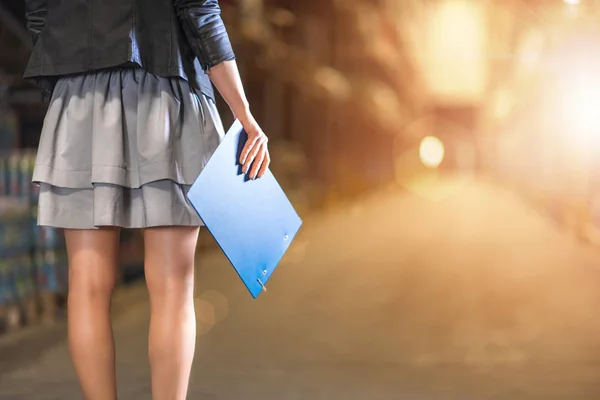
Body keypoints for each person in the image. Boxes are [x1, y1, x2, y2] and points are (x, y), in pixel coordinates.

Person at [23, 0, 270, 398]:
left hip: (78, 102)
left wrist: (71, 83)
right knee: (173, 285)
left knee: (86, 284)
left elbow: (38, 16)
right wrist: (244, 115)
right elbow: (200, 11)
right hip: (167, 93)